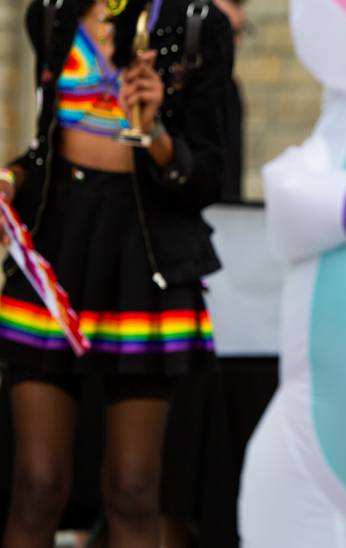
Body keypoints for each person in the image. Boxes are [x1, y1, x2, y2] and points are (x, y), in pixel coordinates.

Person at [0, 1, 232, 546]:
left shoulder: (197, 23)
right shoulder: (52, 13)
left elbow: (208, 177)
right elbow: (48, 144)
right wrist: (12, 176)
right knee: (37, 484)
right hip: (55, 255)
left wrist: (154, 135)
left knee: (132, 489)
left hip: (143, 260)